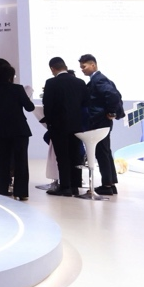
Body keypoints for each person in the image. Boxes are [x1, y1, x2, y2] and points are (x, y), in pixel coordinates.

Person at [0, 60, 35, 199]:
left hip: (1, 129)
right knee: (21, 161)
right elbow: (29, 107)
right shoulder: (18, 89)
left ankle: (1, 190)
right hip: (19, 130)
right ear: (11, 77)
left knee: (2, 160)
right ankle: (21, 192)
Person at [41, 56, 88, 197]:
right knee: (75, 155)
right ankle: (75, 186)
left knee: (62, 157)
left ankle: (65, 186)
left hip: (58, 125)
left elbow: (47, 105)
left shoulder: (51, 83)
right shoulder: (80, 82)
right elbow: (85, 103)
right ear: (65, 67)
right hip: (77, 125)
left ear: (52, 68)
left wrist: (49, 122)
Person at [79, 54, 125, 196]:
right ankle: (110, 184)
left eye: (84, 66)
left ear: (93, 65)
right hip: (102, 121)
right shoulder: (100, 79)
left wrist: (111, 112)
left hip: (99, 121)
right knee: (105, 152)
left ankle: (107, 185)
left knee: (102, 152)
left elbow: (113, 95)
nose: (82, 69)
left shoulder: (99, 80)